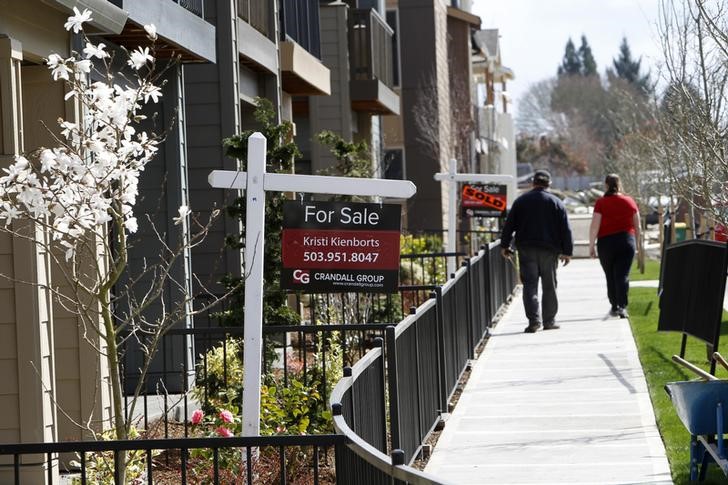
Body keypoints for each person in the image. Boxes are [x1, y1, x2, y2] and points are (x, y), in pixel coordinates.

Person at [500, 170, 573, 333]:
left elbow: (509, 225)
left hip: (526, 249)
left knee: (530, 285)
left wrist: (505, 246)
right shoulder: (556, 202)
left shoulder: (521, 201)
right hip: (549, 250)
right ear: (549, 184)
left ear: (533, 182)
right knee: (549, 286)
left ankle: (534, 321)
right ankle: (549, 321)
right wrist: (567, 251)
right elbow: (565, 229)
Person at [588, 173, 640, 319]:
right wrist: (638, 245)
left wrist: (591, 245)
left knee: (610, 275)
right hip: (626, 241)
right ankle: (622, 306)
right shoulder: (629, 201)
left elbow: (594, 226)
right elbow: (638, 226)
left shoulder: (601, 203)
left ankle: (614, 305)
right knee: (622, 275)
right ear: (619, 184)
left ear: (606, 185)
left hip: (606, 243)